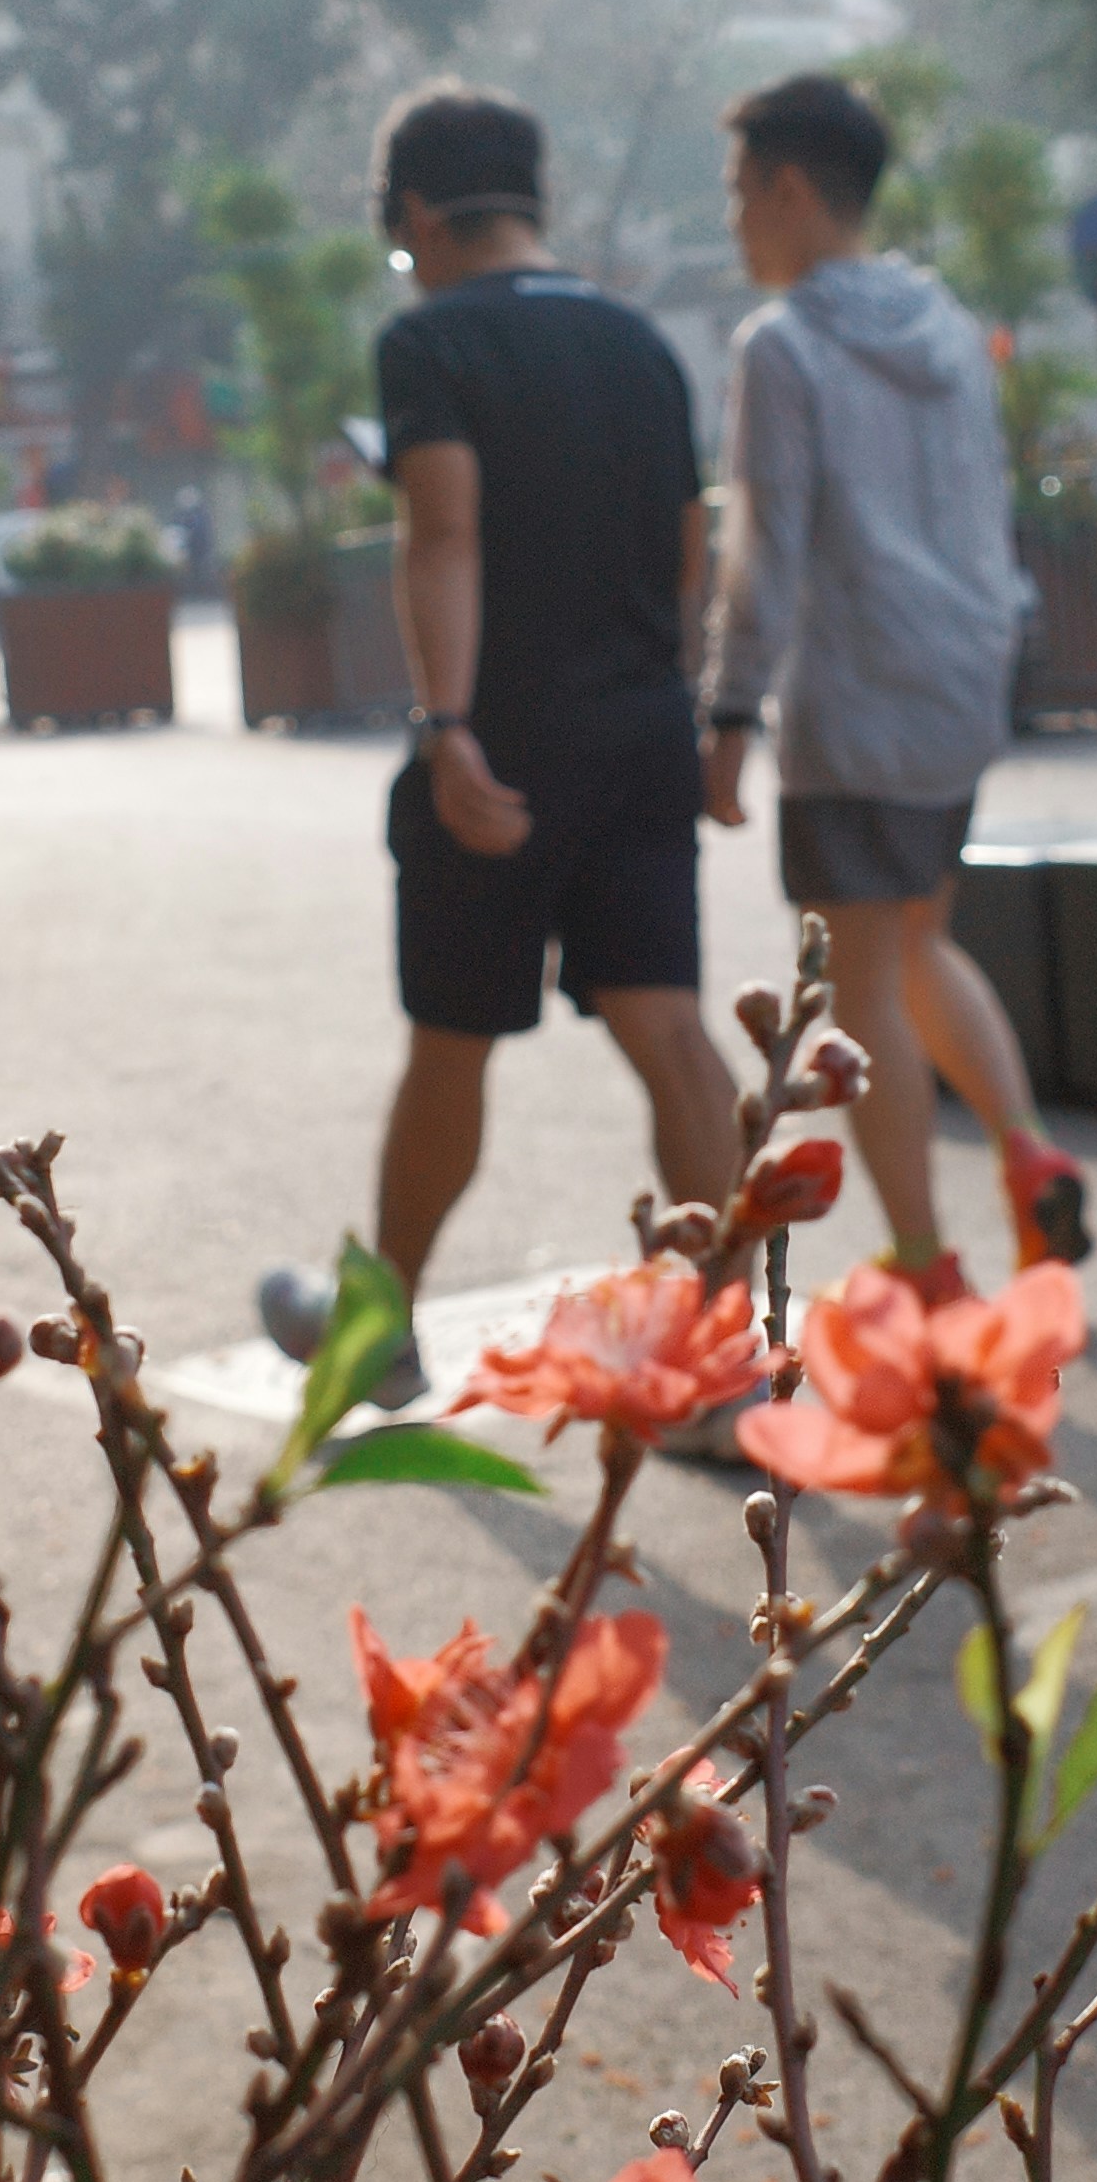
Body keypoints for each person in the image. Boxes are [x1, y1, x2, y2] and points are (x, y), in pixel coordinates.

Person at [258, 86, 738, 1402]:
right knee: (670, 1033)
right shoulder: (641, 345)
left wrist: (447, 725)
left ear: (415, 215)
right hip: (641, 730)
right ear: (532, 200)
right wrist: (681, 700)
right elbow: (697, 539)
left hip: (506, 746)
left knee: (452, 1041)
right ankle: (726, 1361)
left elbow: (444, 532)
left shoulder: (435, 343)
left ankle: (380, 1333)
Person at [698, 70, 1093, 1281]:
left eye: (739, 193)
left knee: (858, 982)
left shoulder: (785, 344)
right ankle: (1029, 1156)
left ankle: (924, 1262)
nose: (734, 222)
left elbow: (766, 545)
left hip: (854, 700)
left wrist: (725, 707)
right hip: (958, 685)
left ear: (792, 186)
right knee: (920, 939)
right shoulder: (950, 326)